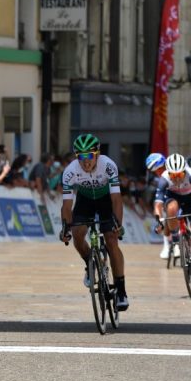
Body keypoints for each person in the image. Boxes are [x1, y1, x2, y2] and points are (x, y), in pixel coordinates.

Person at [59, 133, 129, 311]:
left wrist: (117, 224)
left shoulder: (108, 165)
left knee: (112, 240)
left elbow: (116, 199)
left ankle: (121, 290)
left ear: (97, 154)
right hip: (85, 200)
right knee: (77, 234)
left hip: (106, 200)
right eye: (81, 157)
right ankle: (89, 263)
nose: (85, 161)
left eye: (89, 156)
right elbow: (67, 205)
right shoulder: (70, 171)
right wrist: (65, 227)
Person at [153, 153, 191, 286]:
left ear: (184, 171)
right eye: (173, 176)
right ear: (168, 173)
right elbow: (158, 204)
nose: (176, 179)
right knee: (172, 208)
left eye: (179, 175)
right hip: (173, 197)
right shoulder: (164, 179)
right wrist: (158, 221)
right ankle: (175, 241)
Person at [145, 152, 174, 259]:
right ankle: (166, 245)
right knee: (165, 212)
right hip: (168, 194)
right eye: (155, 171)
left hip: (181, 191)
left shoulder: (173, 167)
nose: (158, 173)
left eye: (159, 169)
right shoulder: (159, 179)